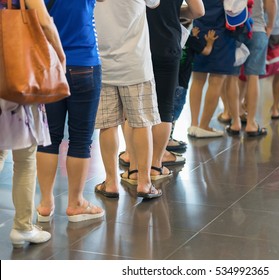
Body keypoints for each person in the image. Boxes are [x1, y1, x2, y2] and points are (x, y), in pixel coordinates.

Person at [0, 0, 65, 247]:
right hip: (15, 72)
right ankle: (22, 227)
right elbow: (45, 22)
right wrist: (59, 56)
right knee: (25, 158)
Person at [36, 0, 106, 222]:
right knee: (80, 139)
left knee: (48, 138)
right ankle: (76, 203)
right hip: (84, 63)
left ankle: (45, 204)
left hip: (49, 63)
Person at [94, 0, 163, 200]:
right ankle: (144, 182)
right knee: (142, 123)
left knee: (107, 125)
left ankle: (111, 182)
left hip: (102, 61)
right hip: (136, 63)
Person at [146, 0, 204, 165]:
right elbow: (198, 11)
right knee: (164, 107)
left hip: (138, 45)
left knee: (136, 106)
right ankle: (157, 161)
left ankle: (134, 157)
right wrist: (174, 10)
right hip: (167, 43)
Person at [226, 0, 277, 136]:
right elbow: (271, 3)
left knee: (232, 76)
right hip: (257, 29)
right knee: (253, 77)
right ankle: (251, 124)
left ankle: (235, 122)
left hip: (233, 29)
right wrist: (270, 26)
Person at [188, 0, 236, 138]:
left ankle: (194, 124)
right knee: (216, 80)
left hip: (199, 28)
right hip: (221, 30)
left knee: (197, 79)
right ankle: (204, 126)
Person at [169, 22, 219, 149]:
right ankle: (168, 139)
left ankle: (164, 137)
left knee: (166, 111)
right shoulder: (190, 40)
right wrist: (210, 42)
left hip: (169, 81)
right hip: (182, 84)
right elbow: (206, 51)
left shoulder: (171, 35)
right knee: (174, 114)